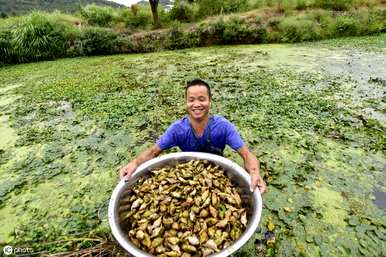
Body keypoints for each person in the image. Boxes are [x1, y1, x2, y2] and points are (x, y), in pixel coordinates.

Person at [119, 79, 267, 194]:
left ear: (210, 100)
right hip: (187, 176)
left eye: (202, 99)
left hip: (217, 174)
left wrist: (254, 173)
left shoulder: (223, 127)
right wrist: (134, 163)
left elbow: (247, 155)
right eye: (191, 100)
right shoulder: (177, 130)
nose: (196, 104)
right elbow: (153, 152)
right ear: (186, 102)